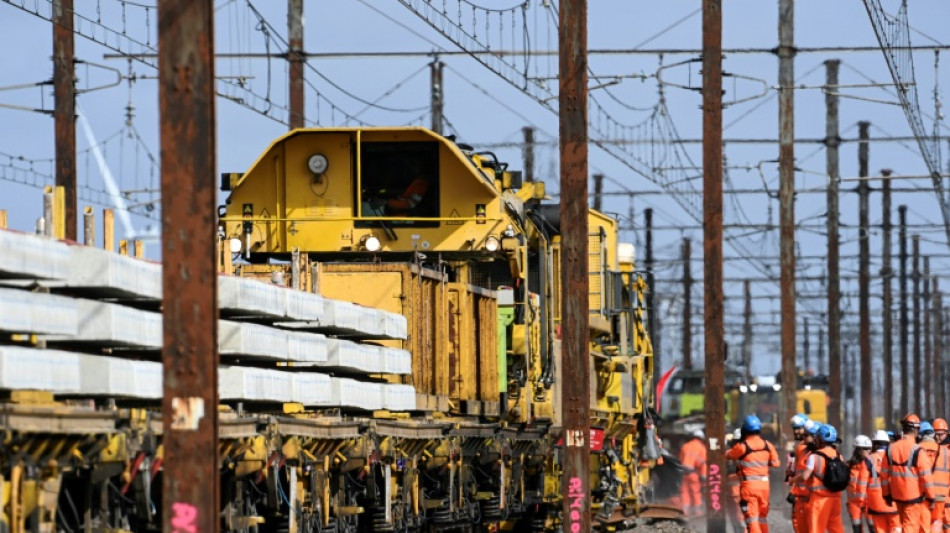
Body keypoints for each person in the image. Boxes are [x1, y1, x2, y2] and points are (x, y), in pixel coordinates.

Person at [726, 415, 780, 533]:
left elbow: (728, 455)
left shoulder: (742, 446)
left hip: (749, 487)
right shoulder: (768, 445)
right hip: (764, 486)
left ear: (745, 430)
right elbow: (776, 464)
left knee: (752, 518)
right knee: (762, 517)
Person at [882, 413, 935, 533]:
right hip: (913, 497)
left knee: (903, 526)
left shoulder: (890, 448)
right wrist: (931, 497)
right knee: (910, 528)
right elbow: (926, 477)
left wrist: (886, 494)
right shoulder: (917, 450)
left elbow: (884, 474)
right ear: (916, 430)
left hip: (897, 495)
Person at [801, 424, 845, 533]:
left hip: (819, 499)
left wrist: (793, 480)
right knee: (836, 529)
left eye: (817, 437)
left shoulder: (814, 456)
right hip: (836, 499)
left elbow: (804, 476)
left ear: (821, 439)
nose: (815, 439)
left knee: (816, 529)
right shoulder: (839, 456)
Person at [866, 430, 900, 533]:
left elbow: (862, 482)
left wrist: (860, 501)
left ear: (874, 444)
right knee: (896, 528)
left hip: (875, 503)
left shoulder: (868, 459)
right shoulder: (895, 456)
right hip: (894, 502)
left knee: (880, 530)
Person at [790, 418, 819, 533]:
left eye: (799, 428)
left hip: (810, 497)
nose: (797, 432)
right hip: (800, 495)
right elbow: (798, 471)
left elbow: (803, 475)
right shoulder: (802, 449)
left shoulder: (814, 453)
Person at [919, 421, 948, 533]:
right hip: (941, 496)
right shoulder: (945, 451)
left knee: (924, 527)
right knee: (937, 524)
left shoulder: (917, 449)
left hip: (924, 496)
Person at [846, 435, 873, 533]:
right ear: (858, 449)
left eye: (869, 449)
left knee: (873, 528)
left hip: (869, 502)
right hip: (854, 503)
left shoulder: (871, 464)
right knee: (856, 529)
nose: (868, 451)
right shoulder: (849, 465)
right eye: (865, 449)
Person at [679, 428, 708, 518]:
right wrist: (703, 476)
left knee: (685, 492)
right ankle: (697, 511)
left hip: (684, 474)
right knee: (696, 492)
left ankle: (685, 511)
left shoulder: (685, 446)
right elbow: (703, 464)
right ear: (701, 438)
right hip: (694, 473)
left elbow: (680, 459)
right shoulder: (702, 448)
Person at [935, 418, 950, 533]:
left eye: (941, 434)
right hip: (937, 497)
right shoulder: (932, 449)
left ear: (947, 433)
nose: (938, 437)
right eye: (936, 434)